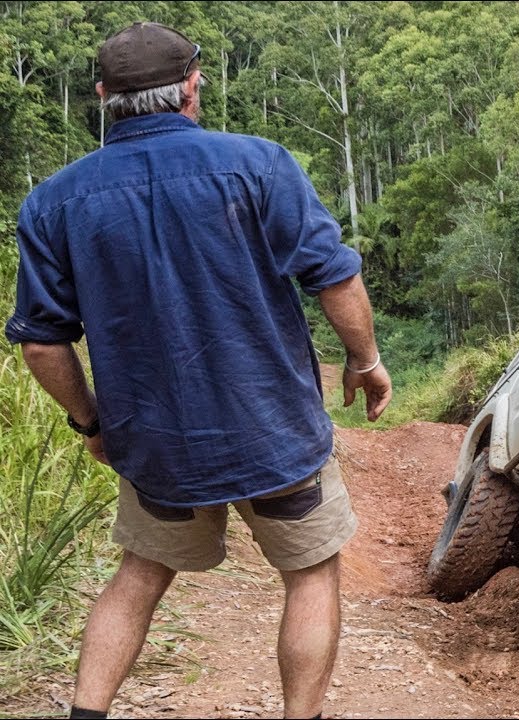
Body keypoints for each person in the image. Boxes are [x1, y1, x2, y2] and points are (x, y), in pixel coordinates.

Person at [3, 22, 393, 720]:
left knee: (141, 573)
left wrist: (91, 423)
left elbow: (41, 344)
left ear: (101, 95)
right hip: (274, 433)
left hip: (155, 446)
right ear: (193, 86)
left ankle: (85, 714)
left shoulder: (54, 202)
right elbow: (334, 278)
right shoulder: (262, 164)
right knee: (308, 572)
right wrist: (364, 360)